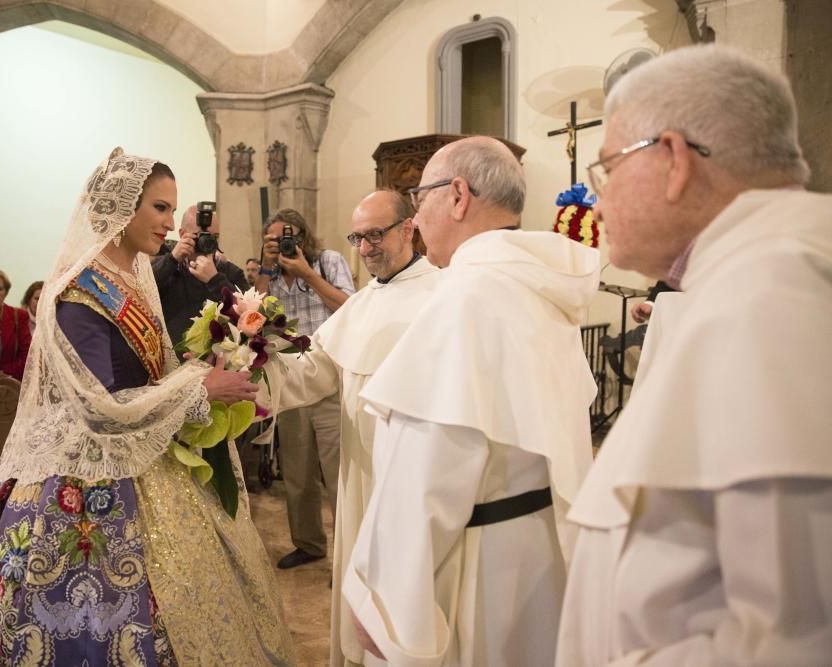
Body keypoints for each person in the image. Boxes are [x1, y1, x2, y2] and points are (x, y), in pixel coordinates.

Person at [0, 148, 294, 666]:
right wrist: (198, 388)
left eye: (172, 210)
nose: (169, 223)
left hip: (148, 449)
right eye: (160, 208)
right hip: (89, 474)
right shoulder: (80, 292)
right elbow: (97, 406)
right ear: (122, 208)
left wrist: (205, 360)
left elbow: (150, 374)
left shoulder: (133, 277)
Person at [556, 44, 832, 666]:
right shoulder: (754, 283)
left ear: (675, 160)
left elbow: (795, 638)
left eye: (607, 169)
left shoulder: (772, 299)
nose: (596, 204)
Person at [344, 137, 600, 666]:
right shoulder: (542, 287)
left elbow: (429, 471)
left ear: (458, 196)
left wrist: (384, 604)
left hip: (481, 568)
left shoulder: (466, 297)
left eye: (421, 197)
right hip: (541, 551)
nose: (416, 216)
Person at [276, 189, 441, 665]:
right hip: (361, 475)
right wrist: (253, 372)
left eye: (375, 234)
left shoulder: (443, 294)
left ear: (408, 229)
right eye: (358, 237)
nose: (365, 247)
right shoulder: (363, 302)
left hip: (413, 481)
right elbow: (316, 371)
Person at [256, 208, 355, 570]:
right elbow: (250, 316)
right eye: (276, 238)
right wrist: (267, 270)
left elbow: (352, 308)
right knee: (297, 475)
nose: (285, 244)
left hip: (331, 380)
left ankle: (349, 557)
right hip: (292, 382)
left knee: (339, 475)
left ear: (304, 236)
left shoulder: (327, 262)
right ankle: (309, 543)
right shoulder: (270, 274)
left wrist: (307, 274)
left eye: (290, 235)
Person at [152, 205, 248, 344]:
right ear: (182, 234)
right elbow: (142, 288)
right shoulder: (167, 266)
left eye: (214, 237)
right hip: (173, 358)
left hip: (220, 358)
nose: (207, 242)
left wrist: (215, 280)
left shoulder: (231, 272)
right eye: (200, 235)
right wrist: (172, 259)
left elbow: (248, 315)